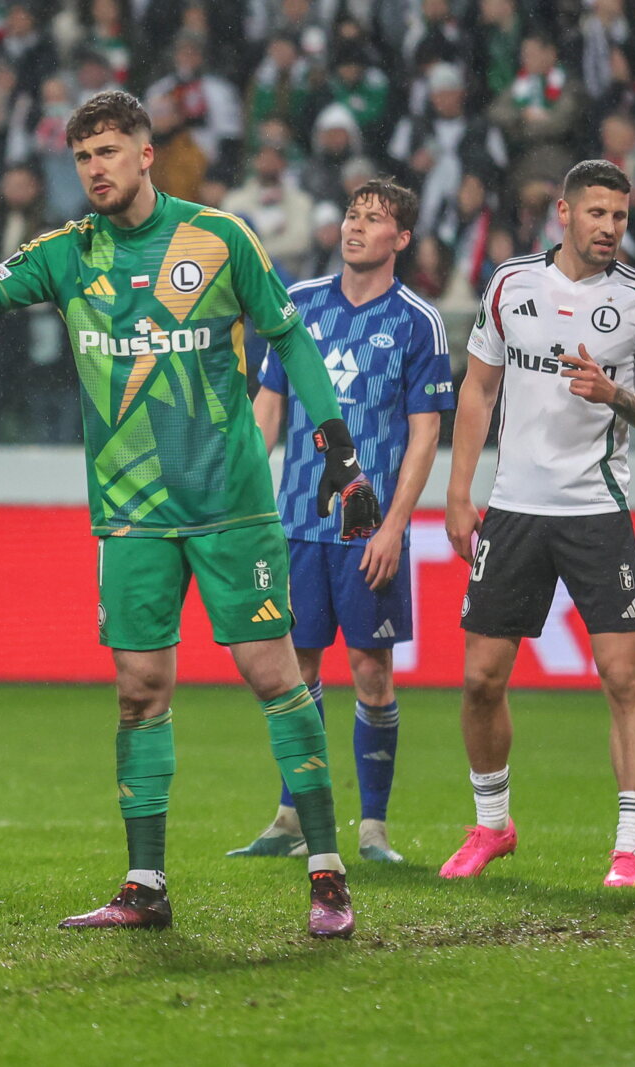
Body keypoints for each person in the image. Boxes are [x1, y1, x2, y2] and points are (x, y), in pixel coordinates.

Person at [0, 91, 382, 939]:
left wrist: (337, 447)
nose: (96, 170)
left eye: (110, 151)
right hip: (131, 515)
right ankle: (145, 885)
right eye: (83, 158)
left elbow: (289, 335)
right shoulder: (70, 253)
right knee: (139, 692)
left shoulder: (217, 239)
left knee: (275, 677)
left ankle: (327, 872)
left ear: (148, 153)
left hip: (229, 504)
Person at [443, 160, 635, 889]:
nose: (611, 228)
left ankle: (631, 848)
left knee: (622, 676)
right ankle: (492, 825)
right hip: (515, 507)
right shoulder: (511, 285)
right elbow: (479, 387)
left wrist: (619, 395)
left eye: (620, 216)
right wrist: (459, 491)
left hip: (595, 512)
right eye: (599, 214)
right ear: (565, 213)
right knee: (481, 677)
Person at [228, 179, 454, 865]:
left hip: (367, 531)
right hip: (293, 522)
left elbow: (423, 437)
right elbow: (267, 410)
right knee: (293, 669)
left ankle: (373, 829)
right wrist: (243, 496)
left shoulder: (418, 321)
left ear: (401, 239)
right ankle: (292, 815)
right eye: (353, 214)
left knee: (371, 672)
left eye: (375, 219)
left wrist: (394, 527)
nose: (356, 227)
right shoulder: (297, 305)